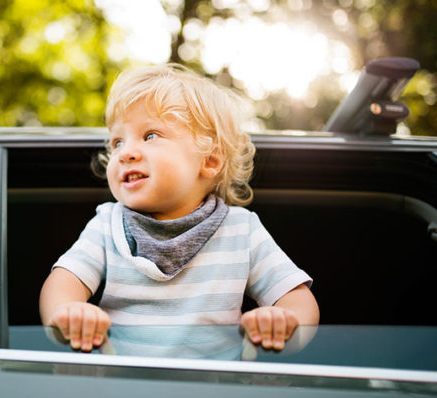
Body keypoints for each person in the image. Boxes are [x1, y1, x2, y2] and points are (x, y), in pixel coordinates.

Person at [39, 64, 319, 353]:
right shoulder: (107, 224)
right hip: (123, 386)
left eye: (150, 136)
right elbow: (62, 283)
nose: (125, 153)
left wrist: (284, 321)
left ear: (209, 161)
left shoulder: (241, 229)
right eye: (118, 141)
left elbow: (297, 299)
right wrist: (69, 312)